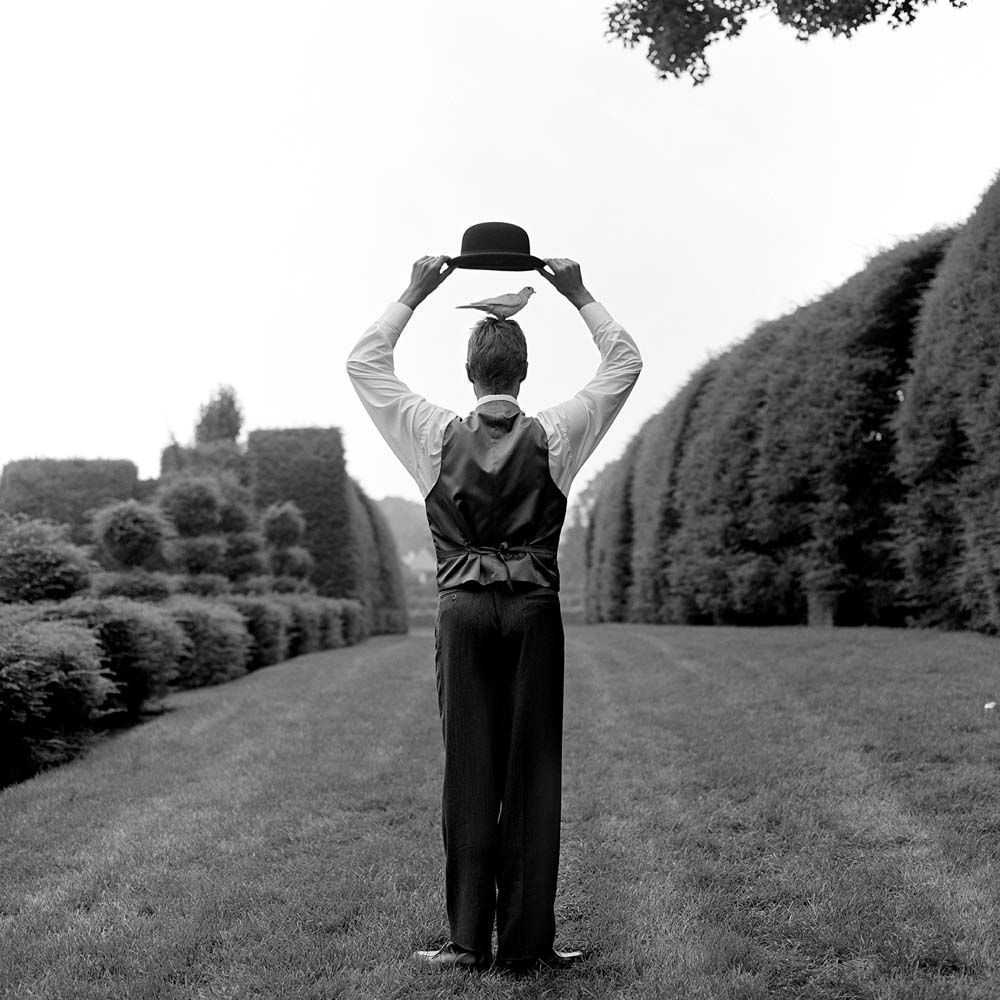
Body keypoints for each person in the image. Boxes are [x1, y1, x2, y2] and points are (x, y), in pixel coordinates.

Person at [346, 253, 642, 973]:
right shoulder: (560, 433)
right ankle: (530, 947)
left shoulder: (431, 431)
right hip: (534, 608)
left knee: (470, 771)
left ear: (473, 373)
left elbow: (364, 363)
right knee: (532, 773)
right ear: (522, 372)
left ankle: (468, 943)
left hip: (463, 612)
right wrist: (578, 293)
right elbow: (625, 362)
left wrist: (415, 292)